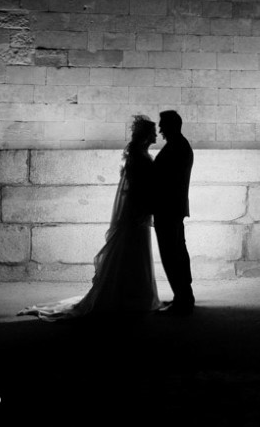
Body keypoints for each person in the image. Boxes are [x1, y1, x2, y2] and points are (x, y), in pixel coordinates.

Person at [17, 115, 161, 321]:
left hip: (138, 213)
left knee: (134, 254)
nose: (156, 135)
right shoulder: (139, 157)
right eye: (153, 132)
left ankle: (133, 295)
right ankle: (133, 297)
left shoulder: (139, 154)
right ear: (147, 135)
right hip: (137, 214)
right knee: (134, 253)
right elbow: (137, 189)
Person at [153, 110, 195, 315]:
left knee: (172, 253)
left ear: (171, 125)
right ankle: (183, 295)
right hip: (172, 208)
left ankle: (183, 297)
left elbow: (165, 180)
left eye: (162, 124)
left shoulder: (176, 147)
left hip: (168, 209)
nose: (159, 129)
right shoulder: (179, 145)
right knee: (176, 251)